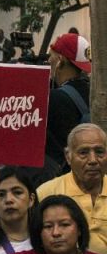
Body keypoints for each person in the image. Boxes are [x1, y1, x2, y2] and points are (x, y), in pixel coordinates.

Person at [36, 123, 106, 254]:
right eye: (84, 153)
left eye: (99, 152)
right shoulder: (46, 193)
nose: (93, 160)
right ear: (68, 156)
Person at [0, 195, 107, 254]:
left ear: (79, 229)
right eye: (48, 226)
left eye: (64, 225)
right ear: (38, 232)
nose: (56, 233)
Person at [45, 33, 92, 171]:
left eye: (51, 56)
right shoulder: (94, 92)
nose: (48, 60)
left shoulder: (55, 98)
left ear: (60, 60)